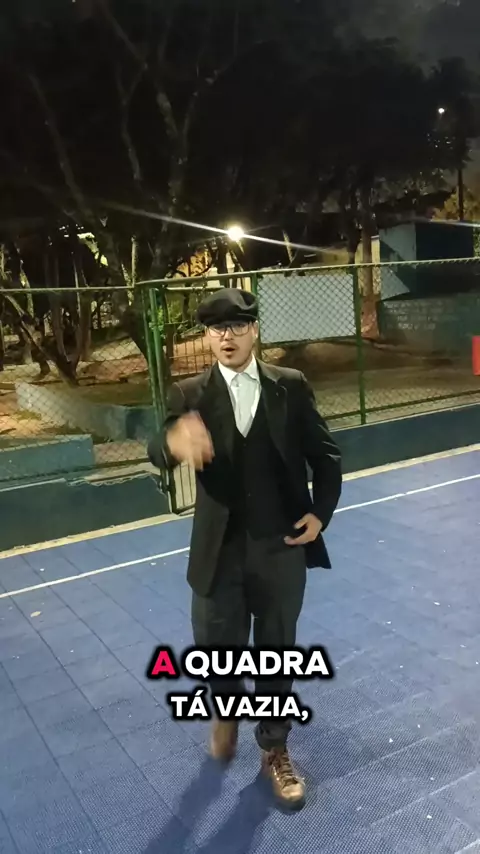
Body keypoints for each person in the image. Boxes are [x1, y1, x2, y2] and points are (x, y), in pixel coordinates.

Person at [148, 287, 342, 810]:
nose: (226, 336)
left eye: (236, 326)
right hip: (219, 551)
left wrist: (320, 513)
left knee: (277, 652)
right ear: (207, 336)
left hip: (280, 546)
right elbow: (157, 445)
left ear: (254, 330)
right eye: (216, 328)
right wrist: (172, 441)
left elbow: (326, 457)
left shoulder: (290, 386)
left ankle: (274, 748)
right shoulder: (189, 394)